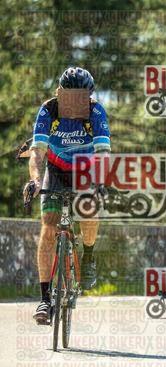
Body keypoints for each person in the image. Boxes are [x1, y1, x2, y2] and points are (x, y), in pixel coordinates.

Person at [23, 67, 111, 324]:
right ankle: (45, 299)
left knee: (89, 210)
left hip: (85, 171)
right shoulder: (48, 110)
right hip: (56, 170)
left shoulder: (96, 112)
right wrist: (35, 180)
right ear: (59, 94)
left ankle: (88, 256)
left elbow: (103, 153)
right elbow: (37, 152)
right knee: (48, 228)